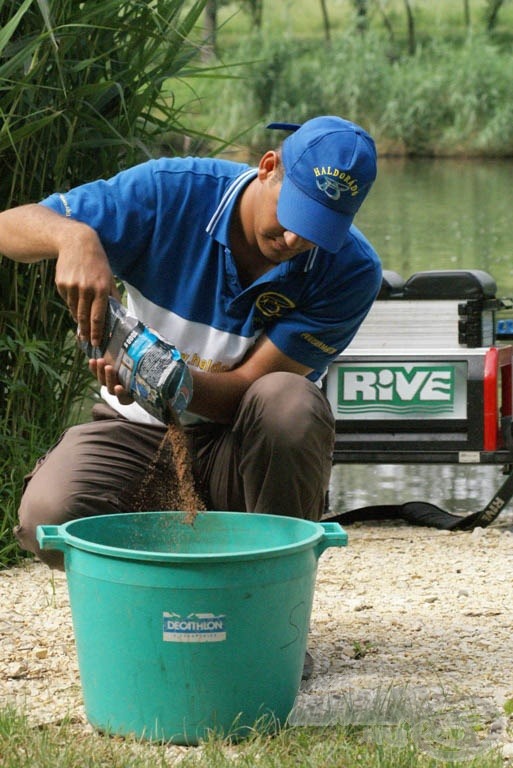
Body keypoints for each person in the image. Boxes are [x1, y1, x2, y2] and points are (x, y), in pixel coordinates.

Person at [0, 115, 382, 570]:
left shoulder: (351, 271)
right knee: (50, 516)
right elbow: (9, 227)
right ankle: (152, 598)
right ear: (267, 167)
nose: (295, 237)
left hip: (238, 446)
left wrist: (164, 382)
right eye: (294, 212)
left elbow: (249, 391)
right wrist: (73, 237)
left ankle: (271, 596)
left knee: (291, 402)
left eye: (319, 227)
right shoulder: (169, 192)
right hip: (131, 430)